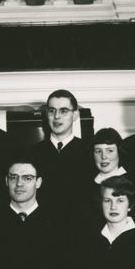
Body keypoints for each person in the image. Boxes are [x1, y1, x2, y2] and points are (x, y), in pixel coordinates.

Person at [30, 89, 95, 217]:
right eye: (51, 110)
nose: (57, 116)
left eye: (64, 111)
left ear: (75, 115)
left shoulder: (90, 151)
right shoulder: (32, 153)